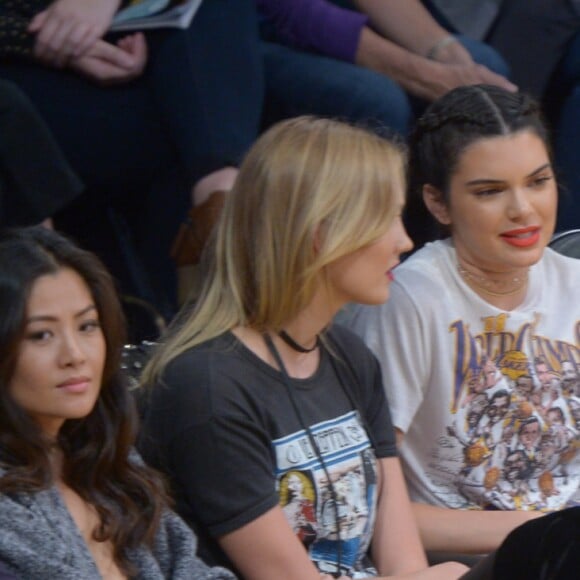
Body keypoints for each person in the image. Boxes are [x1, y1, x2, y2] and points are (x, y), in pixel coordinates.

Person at [137, 117, 469, 579]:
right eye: (385, 219)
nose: (405, 241)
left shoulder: (349, 355)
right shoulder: (208, 387)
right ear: (321, 234)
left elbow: (404, 563)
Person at [350, 84, 580, 556]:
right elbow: (366, 505)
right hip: (473, 560)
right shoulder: (410, 299)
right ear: (437, 203)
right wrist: (549, 533)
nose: (523, 209)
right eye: (490, 191)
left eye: (538, 181)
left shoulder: (575, 282)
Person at [0, 226, 235, 580]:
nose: (75, 355)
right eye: (41, 335)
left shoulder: (109, 460)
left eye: (87, 326)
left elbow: (190, 568)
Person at [0, 0, 264, 310]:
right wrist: (49, 39)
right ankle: (224, 236)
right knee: (182, 123)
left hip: (114, 34)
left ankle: (220, 210)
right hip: (26, 64)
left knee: (217, 12)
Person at [257, 0, 516, 137]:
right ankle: (379, 230)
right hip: (250, 34)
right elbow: (296, 12)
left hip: (336, 14)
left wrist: (445, 51)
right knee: (378, 99)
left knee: (484, 64)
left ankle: (458, 230)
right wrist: (426, 76)